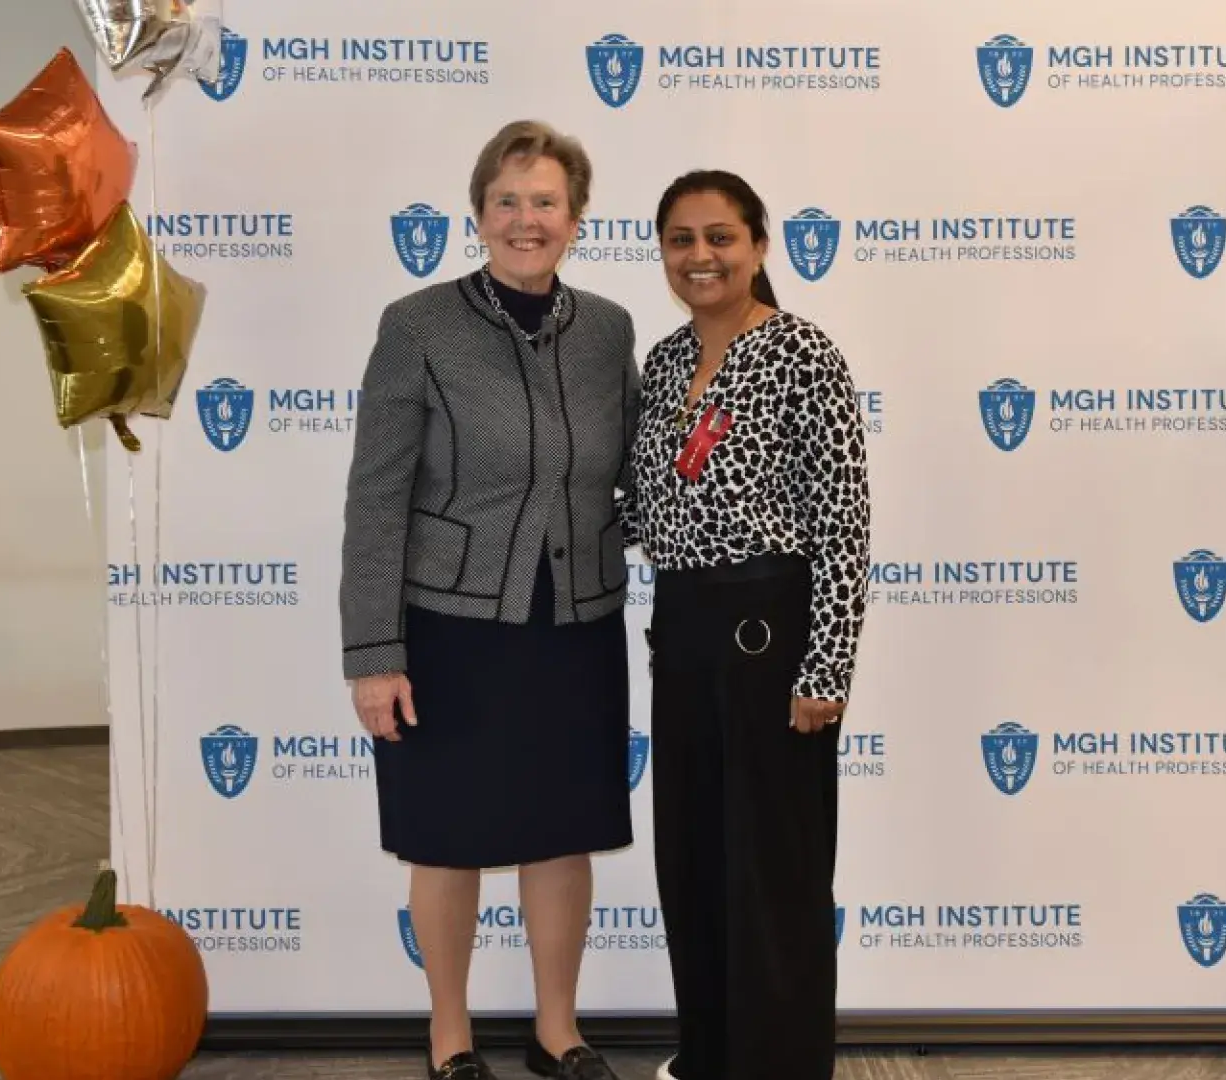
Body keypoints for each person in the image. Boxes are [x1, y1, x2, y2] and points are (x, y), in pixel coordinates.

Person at [339, 119, 639, 1080]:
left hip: (577, 623)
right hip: (452, 630)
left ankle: (559, 1032)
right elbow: (378, 496)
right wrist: (374, 652)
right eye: (507, 201)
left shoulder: (609, 330)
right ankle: (450, 1036)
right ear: (478, 213)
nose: (526, 219)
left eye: (545, 202)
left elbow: (630, 472)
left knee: (563, 832)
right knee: (451, 835)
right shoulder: (417, 325)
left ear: (576, 219)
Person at [627, 170, 872, 1080]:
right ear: (662, 252)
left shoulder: (805, 353)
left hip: (774, 640)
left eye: (721, 237)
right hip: (683, 635)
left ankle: (778, 1063)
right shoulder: (659, 363)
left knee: (774, 875)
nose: (701, 256)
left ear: (760, 247)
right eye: (681, 239)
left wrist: (828, 666)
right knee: (691, 863)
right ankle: (710, 1053)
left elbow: (844, 518)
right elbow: (644, 505)